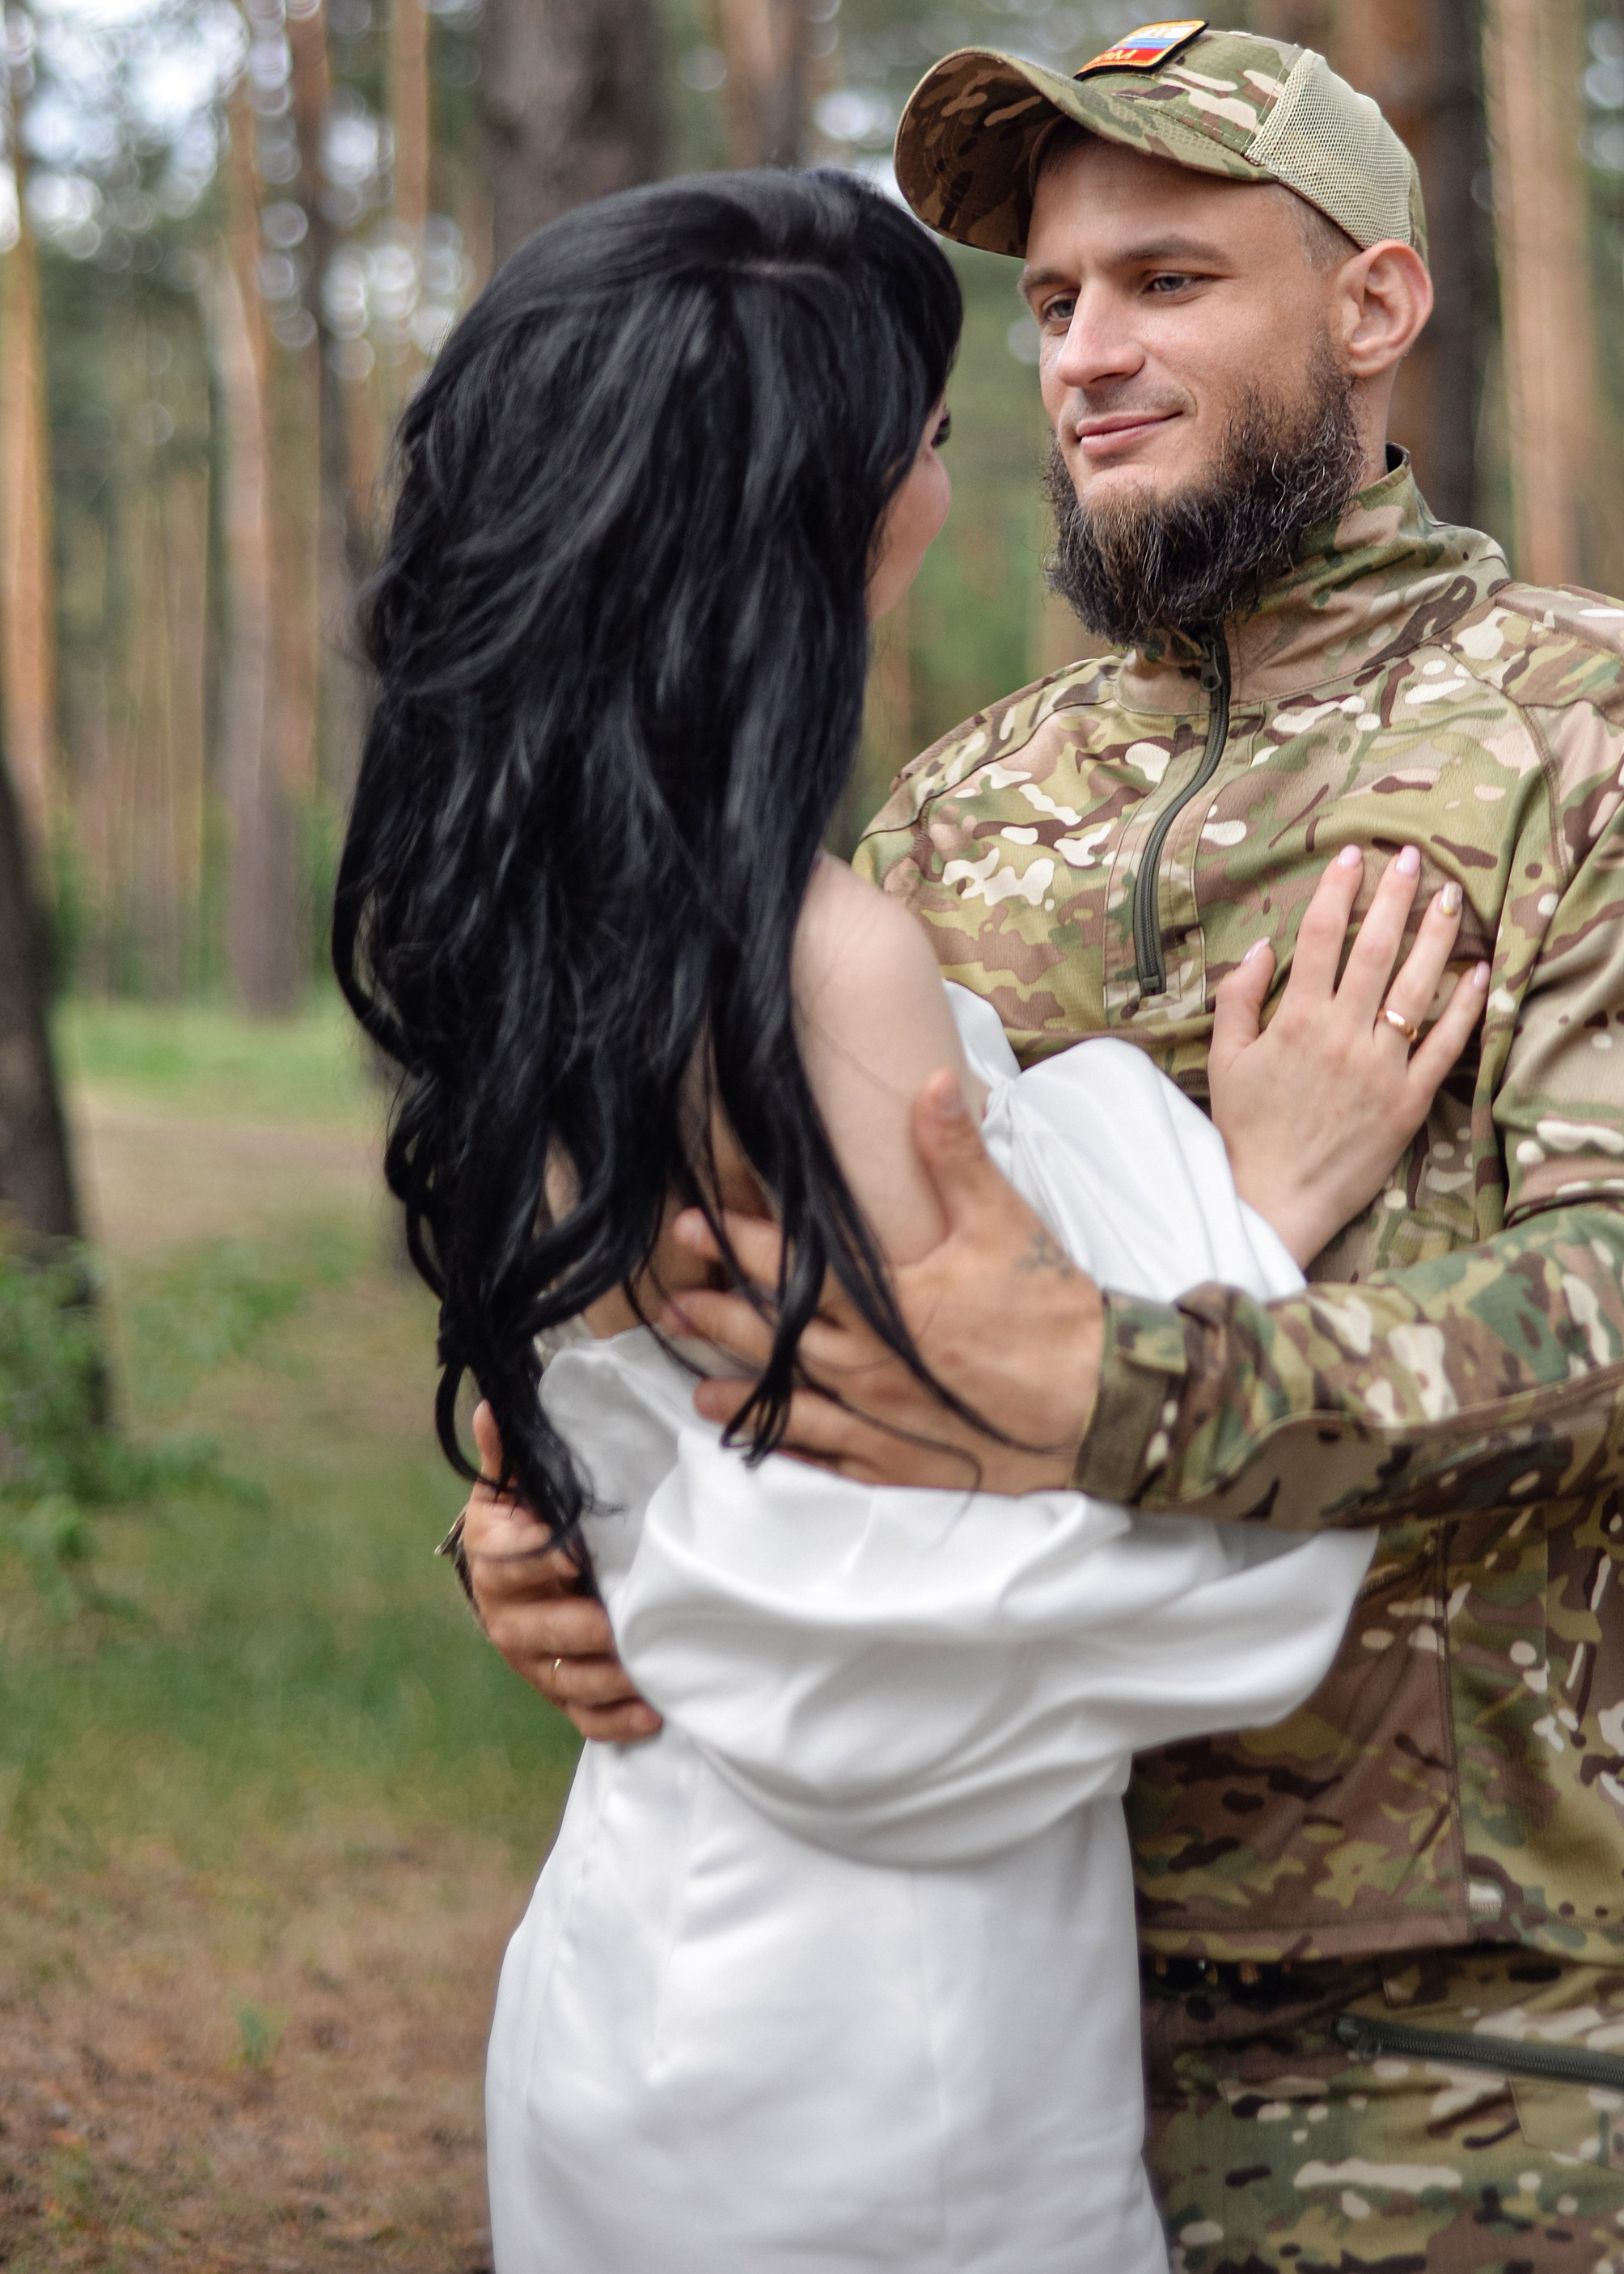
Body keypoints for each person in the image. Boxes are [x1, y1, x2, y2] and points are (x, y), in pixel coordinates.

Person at [466, 25, 1624, 2274]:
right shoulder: (957, 806)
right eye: (1052, 300)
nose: (1085, 352)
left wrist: (1121, 1376)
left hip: (1463, 2030)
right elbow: (744, 1312)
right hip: (963, 1981)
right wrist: (543, 1515)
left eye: (1169, 280)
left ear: (1374, 304)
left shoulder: (1613, 739)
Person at [339, 167, 1488, 2274]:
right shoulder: (825, 959)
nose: (997, 445)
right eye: (939, 428)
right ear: (830, 507)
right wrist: (1261, 1210)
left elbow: (726, 1461)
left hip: (638, 1957)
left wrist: (549, 1515)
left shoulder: (539, 910)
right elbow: (922, 1594)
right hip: (874, 2034)